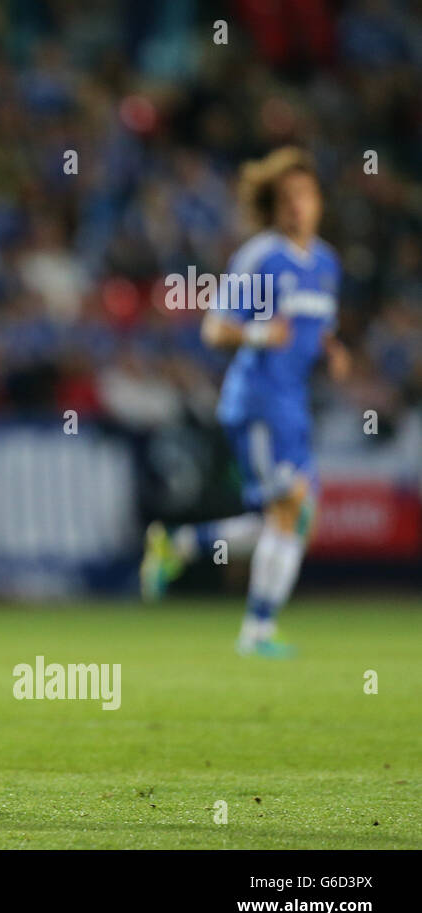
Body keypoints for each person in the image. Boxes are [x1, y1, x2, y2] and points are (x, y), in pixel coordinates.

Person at [141, 146, 352, 657]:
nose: (298, 206)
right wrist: (261, 334)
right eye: (287, 198)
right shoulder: (260, 258)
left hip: (293, 405)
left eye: (306, 194)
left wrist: (330, 350)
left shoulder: (326, 263)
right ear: (272, 207)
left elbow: (313, 329)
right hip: (256, 402)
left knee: (288, 519)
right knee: (291, 510)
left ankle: (181, 544)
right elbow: (216, 330)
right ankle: (257, 631)